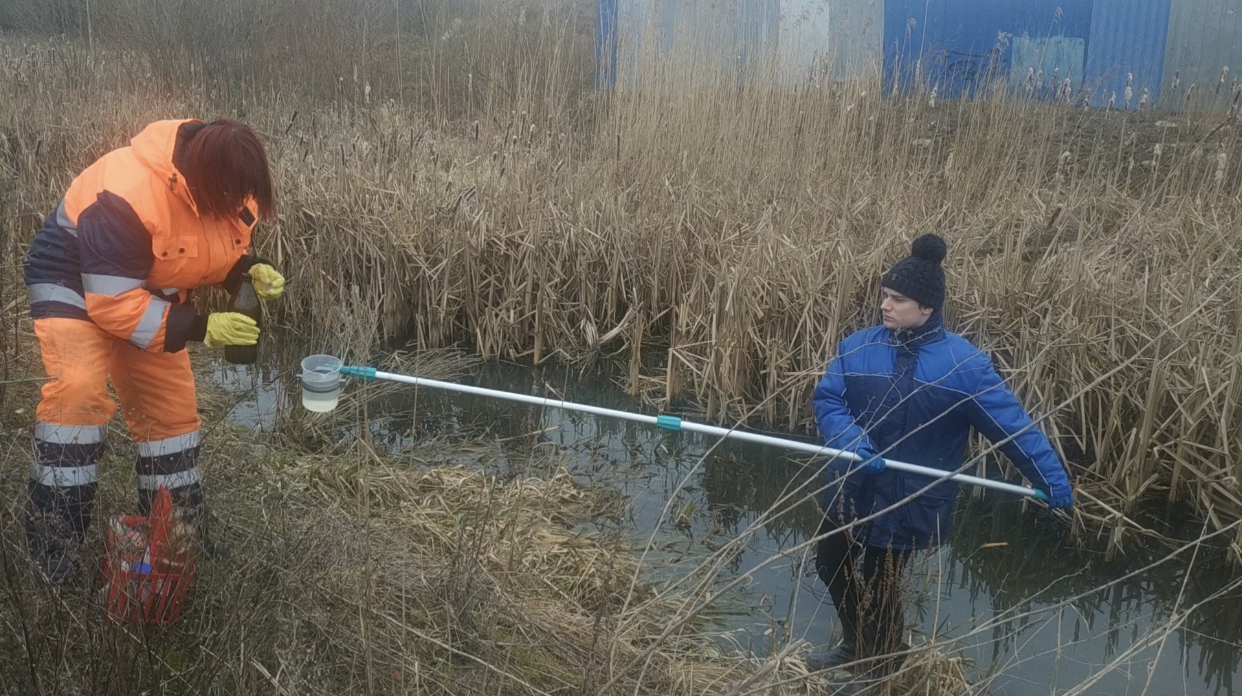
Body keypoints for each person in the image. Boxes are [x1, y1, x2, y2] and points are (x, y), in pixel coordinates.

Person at [22, 118, 287, 584]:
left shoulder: (230, 188)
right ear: (203, 183)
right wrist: (203, 326)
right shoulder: (126, 194)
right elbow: (112, 303)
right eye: (232, 196)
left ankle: (177, 531)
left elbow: (204, 251)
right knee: (78, 395)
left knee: (172, 414)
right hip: (72, 282)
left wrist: (246, 269)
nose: (239, 205)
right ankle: (53, 540)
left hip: (142, 285)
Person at [806, 233, 1074, 672]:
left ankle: (884, 666)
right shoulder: (859, 346)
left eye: (898, 299)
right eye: (884, 296)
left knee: (880, 583)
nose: (885, 305)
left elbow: (1013, 428)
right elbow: (829, 401)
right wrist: (852, 442)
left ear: (927, 308)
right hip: (850, 481)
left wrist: (1052, 479)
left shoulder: (964, 366)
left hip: (908, 497)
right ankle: (857, 646)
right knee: (829, 562)